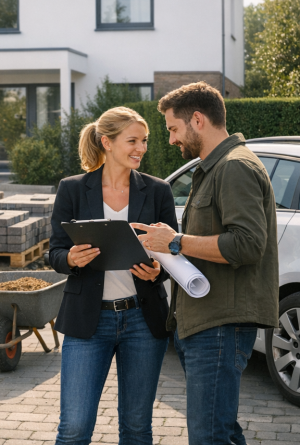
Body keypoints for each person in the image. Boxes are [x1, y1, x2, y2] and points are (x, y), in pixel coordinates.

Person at [133, 82, 279, 444]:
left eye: (173, 128)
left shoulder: (234, 167)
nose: (170, 139)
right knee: (221, 431)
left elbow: (247, 244)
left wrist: (176, 241)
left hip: (220, 326)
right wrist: (168, 249)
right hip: (206, 323)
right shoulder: (214, 168)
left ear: (197, 120)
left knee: (209, 436)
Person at [49, 107, 178, 444]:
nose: (141, 148)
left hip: (143, 321)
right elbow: (55, 252)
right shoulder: (72, 189)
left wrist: (157, 271)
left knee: (137, 428)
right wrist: (71, 259)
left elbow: (171, 254)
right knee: (74, 428)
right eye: (132, 141)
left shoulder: (159, 190)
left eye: (144, 141)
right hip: (87, 322)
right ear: (107, 142)